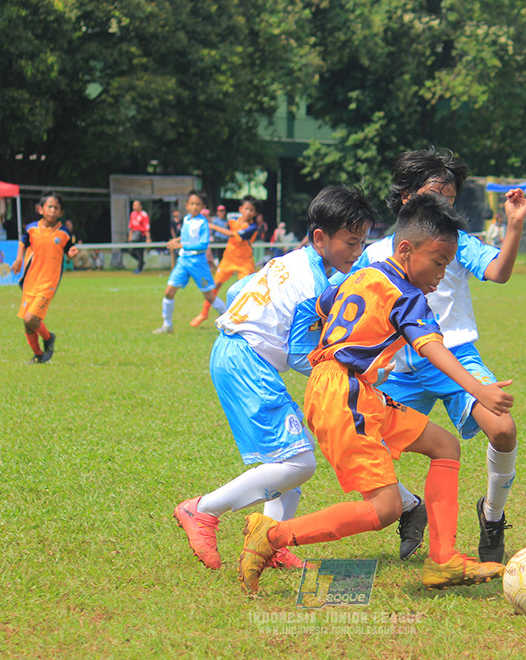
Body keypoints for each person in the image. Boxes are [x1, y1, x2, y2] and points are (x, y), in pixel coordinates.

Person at [237, 193, 514, 596]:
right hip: (342, 393)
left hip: (348, 388)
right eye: (437, 262)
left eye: (447, 265)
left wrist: (339, 351)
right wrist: (477, 388)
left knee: (445, 446)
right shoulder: (407, 295)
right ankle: (274, 535)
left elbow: (319, 305)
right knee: (385, 508)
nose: (440, 274)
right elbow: (430, 346)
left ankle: (443, 560)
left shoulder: (364, 273)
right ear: (406, 249)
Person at [341, 148, 526, 564]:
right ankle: (410, 508)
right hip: (399, 368)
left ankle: (492, 515)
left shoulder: (456, 241)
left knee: (502, 428)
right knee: (358, 441)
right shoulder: (374, 257)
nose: (445, 204)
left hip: (456, 357)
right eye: (436, 194)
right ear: (407, 197)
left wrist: (514, 225)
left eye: (450, 197)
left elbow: (497, 270)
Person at [173, 186, 374, 571]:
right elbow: (301, 352)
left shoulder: (291, 259)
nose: (358, 251)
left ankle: (269, 543)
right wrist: (349, 372)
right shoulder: (314, 286)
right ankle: (201, 509)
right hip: (247, 362)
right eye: (351, 241)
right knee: (300, 463)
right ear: (320, 237)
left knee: (288, 458)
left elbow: (236, 288)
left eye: (363, 241)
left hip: (235, 354)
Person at [11, 192, 79, 363]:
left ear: (61, 213)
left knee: (31, 318)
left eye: (56, 208)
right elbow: (23, 243)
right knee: (27, 323)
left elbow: (69, 250)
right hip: (31, 282)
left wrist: (71, 253)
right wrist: (19, 259)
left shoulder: (63, 233)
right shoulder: (32, 228)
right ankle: (39, 356)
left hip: (48, 283)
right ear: (41, 209)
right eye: (49, 206)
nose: (52, 210)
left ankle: (49, 338)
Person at [153, 190, 226, 334]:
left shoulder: (203, 223)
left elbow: (203, 245)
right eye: (192, 204)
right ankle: (167, 326)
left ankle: (231, 323)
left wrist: (181, 245)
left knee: (210, 297)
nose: (195, 207)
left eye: (198, 204)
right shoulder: (186, 219)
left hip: (198, 263)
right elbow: (187, 237)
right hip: (183, 261)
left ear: (202, 207)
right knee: (169, 292)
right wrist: (176, 240)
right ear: (187, 205)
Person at [190, 196, 260, 328]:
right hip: (228, 258)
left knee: (246, 290)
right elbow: (225, 225)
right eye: (246, 209)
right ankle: (204, 313)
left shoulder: (252, 227)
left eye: (251, 210)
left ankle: (246, 319)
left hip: (244, 261)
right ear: (240, 209)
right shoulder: (233, 221)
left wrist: (211, 225)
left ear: (255, 213)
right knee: (214, 286)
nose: (248, 212)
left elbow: (232, 234)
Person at [128, 200, 151, 274]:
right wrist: (130, 236)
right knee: (131, 250)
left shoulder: (144, 214)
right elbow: (131, 226)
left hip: (141, 235)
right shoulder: (132, 214)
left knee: (139, 252)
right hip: (134, 235)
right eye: (134, 205)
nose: (134, 206)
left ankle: (139, 268)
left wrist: (148, 238)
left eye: (136, 205)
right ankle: (141, 263)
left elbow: (146, 227)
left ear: (140, 206)